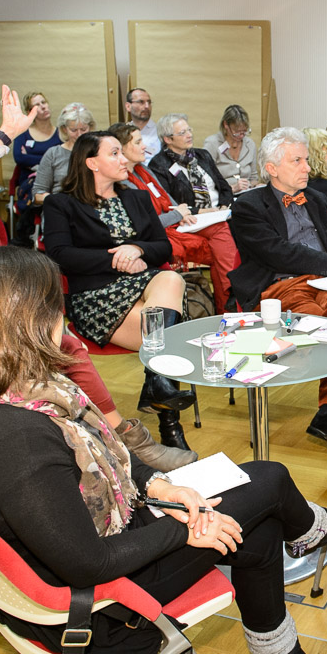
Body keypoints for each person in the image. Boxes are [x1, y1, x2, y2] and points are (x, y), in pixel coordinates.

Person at [0, 245, 327, 654]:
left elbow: (101, 455)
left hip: (63, 555)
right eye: (56, 308)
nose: (64, 320)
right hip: (99, 603)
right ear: (29, 324)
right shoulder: (21, 441)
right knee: (268, 481)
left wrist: (159, 485)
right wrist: (184, 528)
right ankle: (311, 534)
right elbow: (89, 562)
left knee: (258, 522)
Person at [0, 85, 192, 465]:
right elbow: (56, 255)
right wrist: (5, 135)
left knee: (71, 344)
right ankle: (125, 445)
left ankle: (123, 441)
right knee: (74, 345)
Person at [42, 130, 196, 449]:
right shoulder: (61, 204)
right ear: (91, 163)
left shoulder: (136, 198)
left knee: (170, 281)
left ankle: (159, 388)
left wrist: (137, 249)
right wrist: (118, 260)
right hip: (96, 297)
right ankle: (167, 417)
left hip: (147, 288)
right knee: (167, 333)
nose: (124, 159)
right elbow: (59, 255)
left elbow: (163, 247)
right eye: (114, 153)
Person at [227, 127, 327, 463]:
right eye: (297, 161)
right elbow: (279, 253)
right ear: (272, 168)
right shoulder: (247, 206)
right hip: (281, 286)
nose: (307, 167)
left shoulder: (317, 199)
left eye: (306, 159)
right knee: (321, 326)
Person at [111, 122, 237, 312]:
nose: (144, 146)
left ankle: (230, 294)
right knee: (221, 238)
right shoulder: (125, 182)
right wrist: (178, 214)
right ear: (121, 149)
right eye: (137, 142)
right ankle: (230, 293)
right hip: (162, 229)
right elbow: (148, 222)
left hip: (177, 220)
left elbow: (171, 202)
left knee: (223, 227)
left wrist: (185, 212)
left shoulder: (143, 170)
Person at [150, 113, 235, 214]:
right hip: (192, 218)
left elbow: (225, 188)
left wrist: (224, 207)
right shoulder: (159, 165)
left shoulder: (203, 155)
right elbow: (169, 204)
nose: (189, 135)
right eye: (182, 133)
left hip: (220, 213)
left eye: (189, 130)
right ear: (168, 139)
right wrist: (202, 211)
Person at [10, 90, 62, 246]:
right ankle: (28, 235)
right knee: (37, 190)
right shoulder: (23, 134)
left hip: (56, 181)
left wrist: (33, 161)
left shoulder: (61, 134)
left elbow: (63, 159)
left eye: (43, 102)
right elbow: (19, 158)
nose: (43, 107)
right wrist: (50, 160)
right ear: (29, 112)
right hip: (30, 183)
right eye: (37, 105)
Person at [31, 103, 95, 204]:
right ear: (64, 129)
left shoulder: (97, 151)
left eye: (83, 129)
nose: (79, 134)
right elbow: (37, 194)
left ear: (90, 127)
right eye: (73, 130)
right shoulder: (53, 154)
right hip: (61, 207)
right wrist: (58, 200)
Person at [204, 104, 259, 194]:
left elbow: (254, 177)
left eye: (244, 131)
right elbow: (206, 180)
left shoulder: (250, 144)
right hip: (222, 196)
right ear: (226, 125)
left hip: (246, 195)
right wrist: (232, 188)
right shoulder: (212, 144)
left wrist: (254, 185)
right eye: (237, 132)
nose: (241, 135)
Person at [124, 88, 160, 162]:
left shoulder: (160, 132)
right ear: (128, 106)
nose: (147, 106)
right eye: (141, 102)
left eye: (149, 102)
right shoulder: (123, 132)